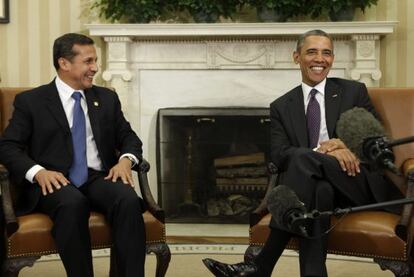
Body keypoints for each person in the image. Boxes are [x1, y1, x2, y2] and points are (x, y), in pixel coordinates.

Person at [202, 29, 402, 277]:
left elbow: (377, 141)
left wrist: (343, 144)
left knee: (302, 158)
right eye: (312, 52)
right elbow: (279, 155)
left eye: (326, 53)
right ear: (296, 57)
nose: (320, 59)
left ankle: (262, 264)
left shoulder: (353, 91)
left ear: (332, 58)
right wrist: (323, 151)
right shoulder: (281, 107)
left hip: (356, 183)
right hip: (316, 186)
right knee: (318, 190)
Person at [0, 33, 146, 277]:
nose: (95, 68)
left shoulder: (106, 98)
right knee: (72, 203)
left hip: (97, 177)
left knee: (128, 199)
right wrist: (38, 172)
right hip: (53, 181)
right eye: (88, 61)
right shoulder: (31, 101)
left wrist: (125, 160)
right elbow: (7, 146)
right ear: (64, 63)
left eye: (95, 61)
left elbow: (128, 137)